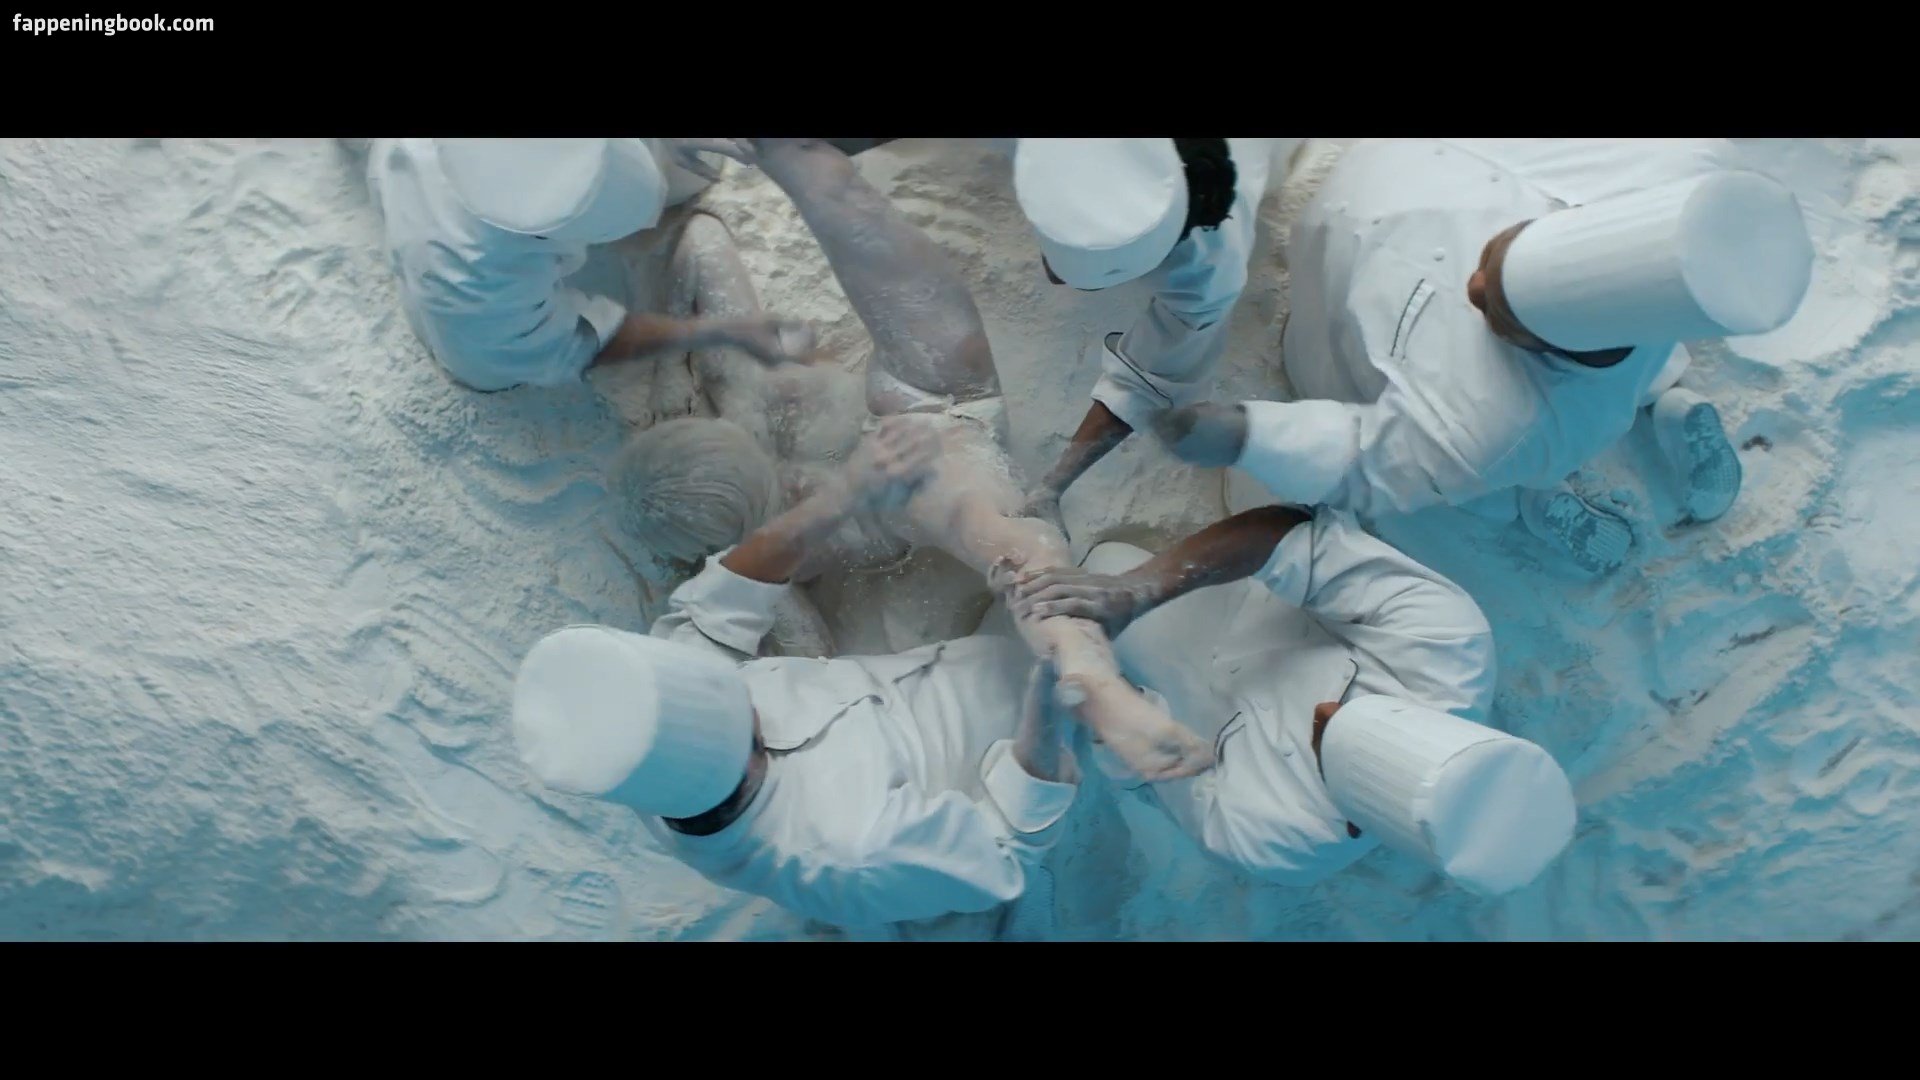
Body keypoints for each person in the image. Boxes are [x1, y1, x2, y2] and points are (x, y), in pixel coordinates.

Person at [609, 137, 1216, 780]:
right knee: (1013, 544)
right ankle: (1092, 677)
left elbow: (702, 240)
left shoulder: (733, 382)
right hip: (930, 469)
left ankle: (790, 150)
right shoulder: (757, 573)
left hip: (914, 393)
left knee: (841, 200)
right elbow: (815, 669)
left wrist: (674, 365)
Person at [512, 416, 1082, 934]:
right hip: (1024, 751)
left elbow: (719, 600)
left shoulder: (655, 718)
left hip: (961, 665)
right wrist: (1048, 711)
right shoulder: (848, 850)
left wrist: (844, 495)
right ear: (750, 757)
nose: (748, 690)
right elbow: (1005, 848)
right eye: (746, 709)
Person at [1154, 141, 1815, 574]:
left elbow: (1371, 456)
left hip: (1402, 217)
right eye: (1495, 258)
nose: (1473, 285)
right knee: (1650, 330)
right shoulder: (1676, 167)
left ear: (1537, 345)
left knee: (1481, 489)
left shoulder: (1506, 427)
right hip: (1417, 185)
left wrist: (1252, 433)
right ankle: (1668, 396)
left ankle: (1534, 502)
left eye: (1491, 303)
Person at [1004, 504, 1577, 894]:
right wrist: (1138, 589)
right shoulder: (1447, 645)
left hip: (1175, 688)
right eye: (1346, 705)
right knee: (1122, 560)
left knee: (1040, 622)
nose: (1322, 710)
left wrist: (1108, 701)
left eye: (1323, 735)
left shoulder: (1279, 844)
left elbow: (1147, 769)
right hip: (1242, 597)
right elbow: (1290, 536)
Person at [1009, 137, 1304, 528]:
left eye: (1080, 280)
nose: (1051, 278)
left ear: (1163, 256)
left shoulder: (1210, 268)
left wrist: (1051, 488)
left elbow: (1145, 381)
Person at [366, 137, 813, 393]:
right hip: (467, 321)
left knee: (695, 168)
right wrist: (719, 331)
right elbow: (580, 344)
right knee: (484, 369)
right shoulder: (474, 293)